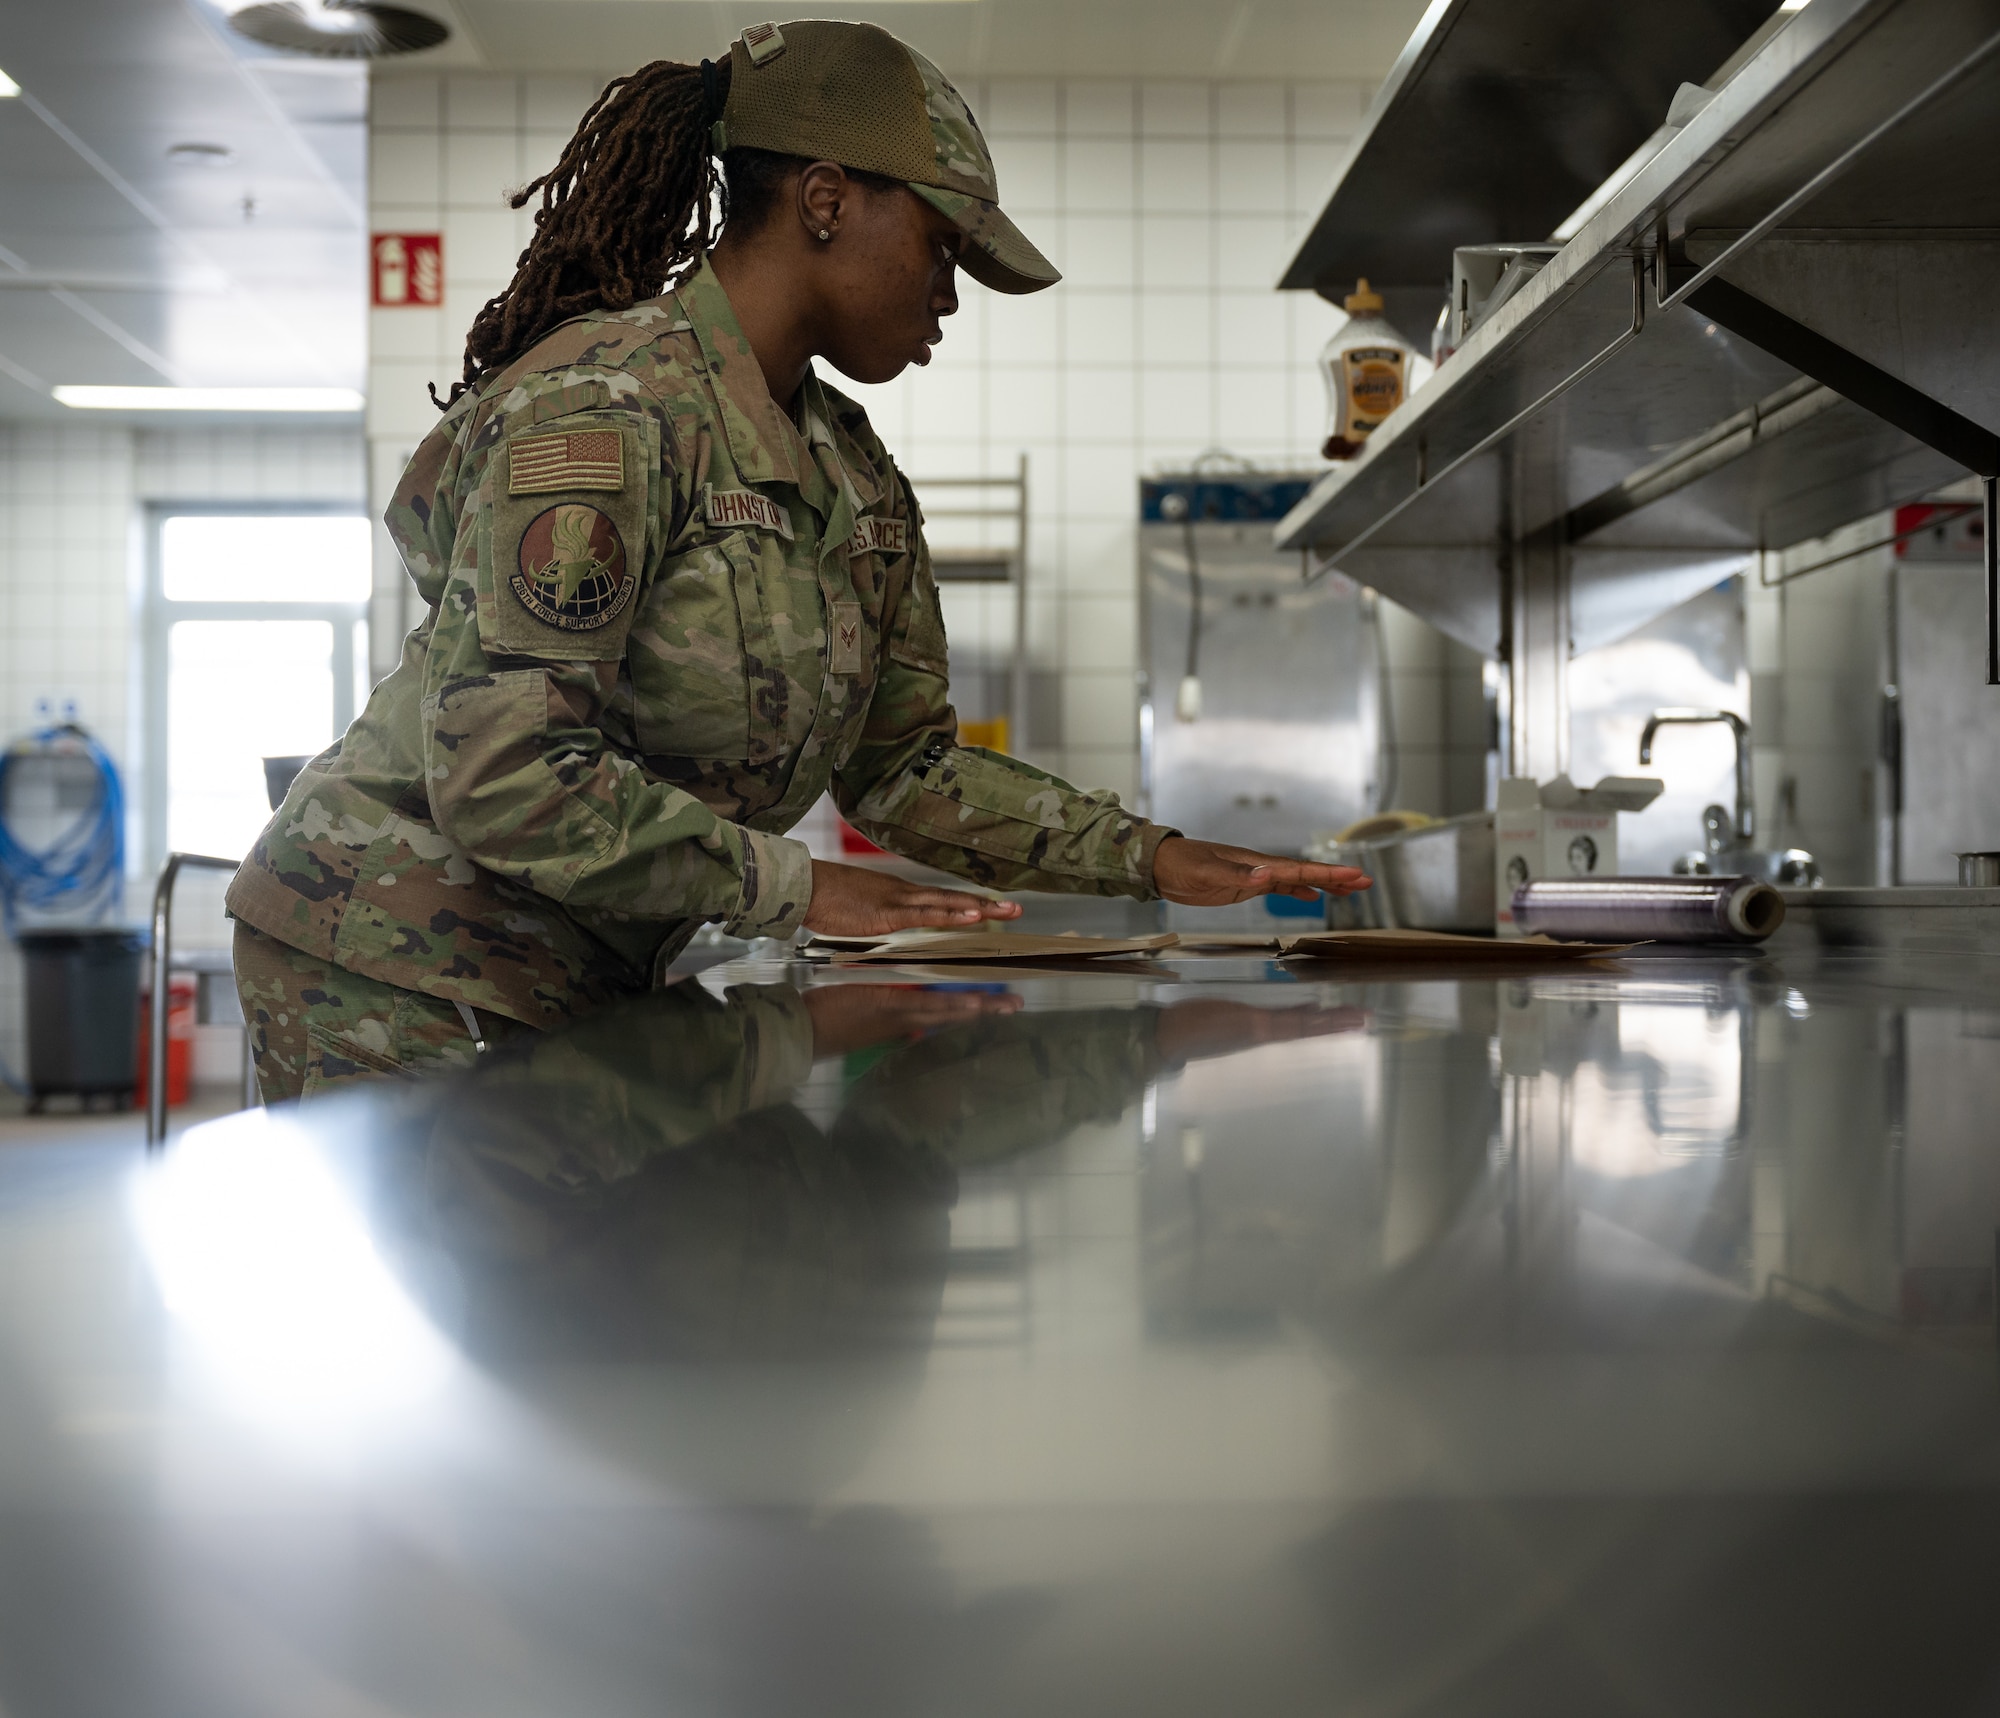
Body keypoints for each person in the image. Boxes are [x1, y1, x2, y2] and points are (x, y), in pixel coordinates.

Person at [228, 18, 1369, 1101]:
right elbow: (505, 768)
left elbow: (904, 771)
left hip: (581, 967)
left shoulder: (851, 476)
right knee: (504, 1304)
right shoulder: (608, 408)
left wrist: (1150, 856)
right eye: (941, 246)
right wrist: (801, 887)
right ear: (825, 200)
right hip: (394, 953)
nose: (950, 295)